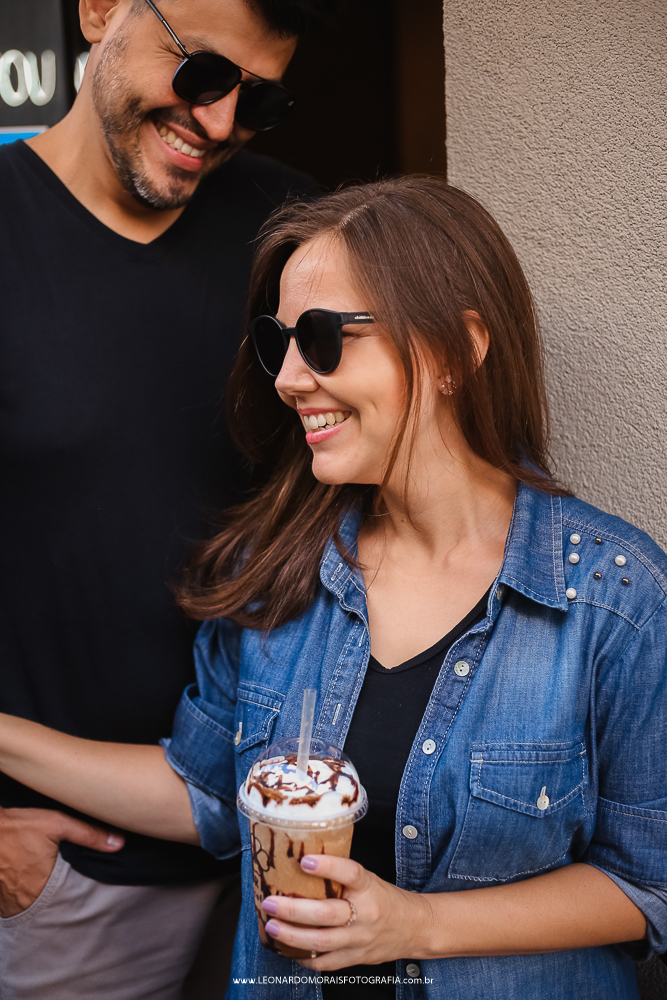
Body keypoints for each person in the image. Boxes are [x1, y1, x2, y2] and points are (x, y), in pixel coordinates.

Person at [0, 176, 665, 1000]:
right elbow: (206, 791)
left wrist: (416, 925)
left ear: (454, 350)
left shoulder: (609, 597)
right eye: (274, 340)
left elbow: (649, 886)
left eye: (321, 337)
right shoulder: (277, 569)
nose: (285, 377)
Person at [0, 0, 333, 995]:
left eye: (259, 100)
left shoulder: (296, 232)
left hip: (296, 858)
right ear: (100, 8)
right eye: (199, 74)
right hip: (71, 878)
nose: (222, 123)